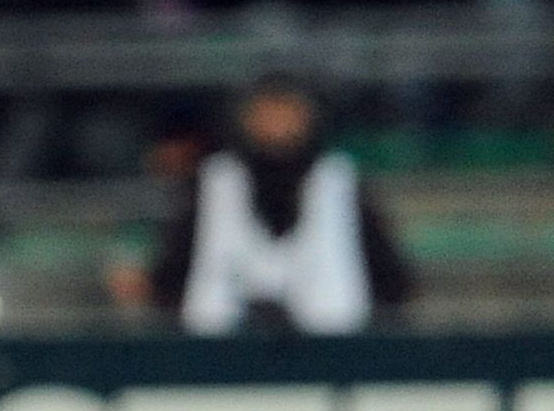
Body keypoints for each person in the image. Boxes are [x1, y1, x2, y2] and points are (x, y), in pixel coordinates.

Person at [131, 78, 414, 334]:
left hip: (332, 350)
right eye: (267, 113)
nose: (277, 124)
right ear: (246, 119)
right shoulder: (213, 181)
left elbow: (386, 268)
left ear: (307, 117)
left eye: (286, 112)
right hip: (220, 353)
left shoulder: (339, 182)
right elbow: (178, 259)